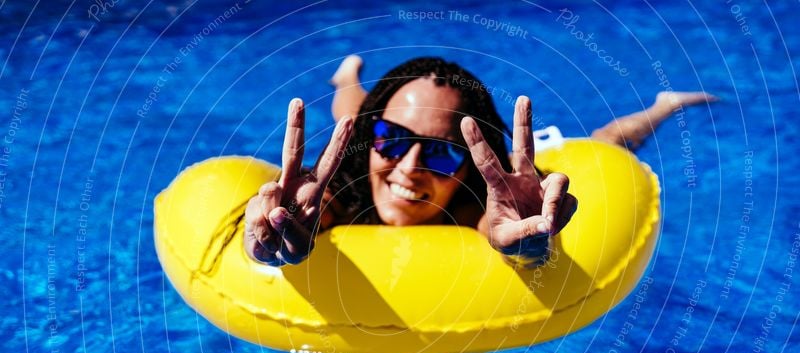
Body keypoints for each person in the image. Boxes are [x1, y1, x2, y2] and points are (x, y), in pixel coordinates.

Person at [244, 56, 716, 267]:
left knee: (607, 140)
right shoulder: (337, 193)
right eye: (390, 140)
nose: (409, 167)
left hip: (512, 168)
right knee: (353, 109)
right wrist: (265, 238)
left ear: (468, 166)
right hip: (359, 145)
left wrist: (529, 247)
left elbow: (497, 227)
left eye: (442, 152)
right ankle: (348, 75)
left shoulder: (478, 206)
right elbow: (308, 215)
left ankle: (663, 103)